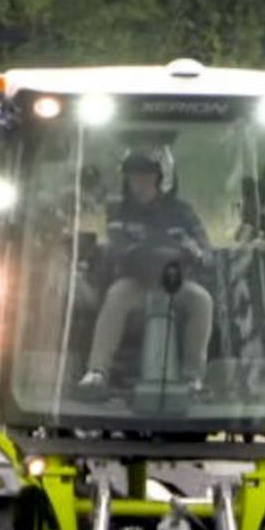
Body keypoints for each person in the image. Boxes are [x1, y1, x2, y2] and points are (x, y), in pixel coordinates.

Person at [76, 151, 215, 393]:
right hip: (135, 282)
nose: (139, 182)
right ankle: (97, 371)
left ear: (159, 179)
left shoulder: (182, 212)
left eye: (145, 176)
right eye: (133, 177)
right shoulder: (118, 212)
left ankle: (193, 377)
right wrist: (154, 252)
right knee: (116, 297)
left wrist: (195, 253)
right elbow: (119, 249)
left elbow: (206, 252)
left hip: (175, 283)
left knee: (202, 301)